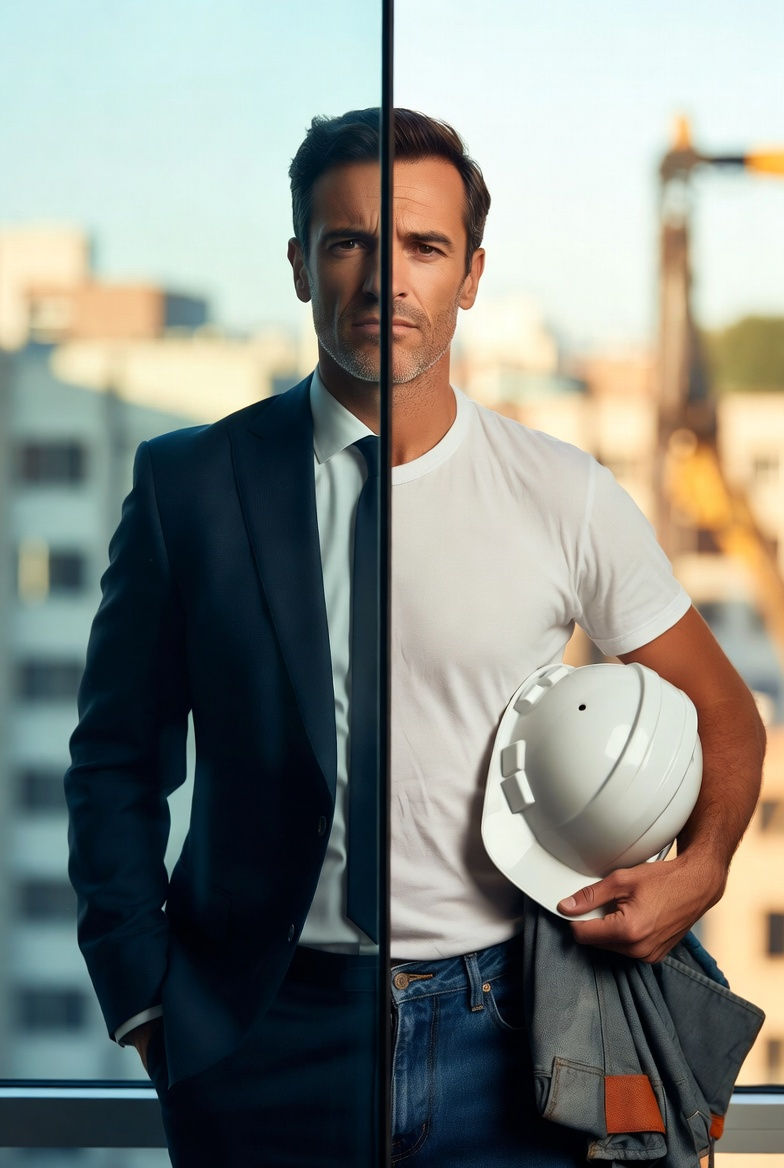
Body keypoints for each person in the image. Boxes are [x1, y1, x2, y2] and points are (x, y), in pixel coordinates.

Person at [65, 108, 766, 1167]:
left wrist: (701, 867)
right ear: (302, 264)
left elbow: (724, 716)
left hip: (516, 1036)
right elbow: (113, 761)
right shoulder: (189, 487)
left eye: (423, 246)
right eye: (349, 241)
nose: (385, 277)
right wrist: (147, 1004)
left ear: (470, 275)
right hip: (264, 1031)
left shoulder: (561, 491)